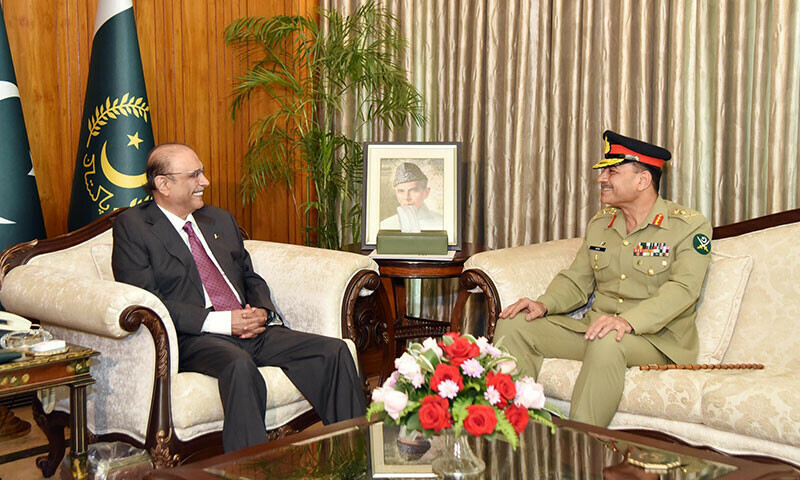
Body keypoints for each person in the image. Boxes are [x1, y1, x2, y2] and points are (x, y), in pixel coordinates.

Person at [111, 143, 366, 452]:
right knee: (239, 367)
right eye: (194, 175)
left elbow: (248, 275)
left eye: (202, 173)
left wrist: (262, 311)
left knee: (334, 352)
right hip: (194, 337)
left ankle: (353, 457)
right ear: (163, 184)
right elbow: (146, 299)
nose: (205, 182)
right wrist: (222, 322)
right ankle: (250, 469)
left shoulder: (218, 219)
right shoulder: (134, 227)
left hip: (250, 329)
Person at [494, 130, 712, 427]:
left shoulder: (688, 226)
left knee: (608, 339)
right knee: (515, 323)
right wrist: (543, 304)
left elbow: (683, 290)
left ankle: (582, 442)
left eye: (612, 171)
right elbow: (577, 280)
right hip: (597, 331)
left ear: (642, 180)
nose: (601, 179)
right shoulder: (602, 224)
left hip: (658, 341)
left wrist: (628, 321)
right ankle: (511, 430)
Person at [379, 162, 444, 232]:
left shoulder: (442, 224)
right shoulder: (385, 225)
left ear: (426, 193)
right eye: (401, 191)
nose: (406, 197)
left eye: (413, 190)